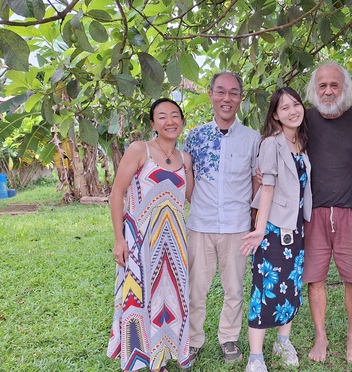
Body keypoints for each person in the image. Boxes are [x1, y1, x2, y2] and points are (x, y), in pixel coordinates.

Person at [107, 98, 194, 371]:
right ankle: (140, 358)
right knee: (139, 297)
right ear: (153, 123)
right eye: (162, 116)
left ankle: (161, 358)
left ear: (182, 120)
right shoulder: (139, 150)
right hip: (140, 239)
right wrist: (120, 239)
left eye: (175, 115)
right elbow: (116, 195)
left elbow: (189, 197)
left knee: (170, 299)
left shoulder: (186, 159)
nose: (170, 121)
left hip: (175, 241)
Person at [184, 71, 261, 366]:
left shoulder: (252, 139)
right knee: (196, 288)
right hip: (200, 225)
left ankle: (229, 337)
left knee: (234, 288)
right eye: (220, 91)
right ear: (210, 94)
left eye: (233, 92)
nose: (226, 98)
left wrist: (254, 220)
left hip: (236, 226)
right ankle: (192, 340)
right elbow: (188, 179)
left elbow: (257, 181)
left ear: (240, 98)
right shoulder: (195, 136)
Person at [302, 61, 352, 363]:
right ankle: (321, 337)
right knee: (315, 279)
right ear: (314, 90)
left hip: (350, 212)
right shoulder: (303, 119)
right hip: (313, 213)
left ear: (344, 88)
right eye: (322, 85)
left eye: (334, 85)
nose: (328, 91)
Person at [239, 87, 312, 372]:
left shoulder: (300, 143)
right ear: (275, 115)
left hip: (296, 228)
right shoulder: (272, 143)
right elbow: (267, 187)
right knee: (265, 290)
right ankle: (255, 358)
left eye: (296, 104)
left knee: (291, 287)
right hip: (273, 229)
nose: (292, 111)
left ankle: (283, 342)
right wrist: (259, 230)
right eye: (285, 108)